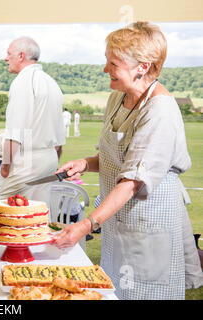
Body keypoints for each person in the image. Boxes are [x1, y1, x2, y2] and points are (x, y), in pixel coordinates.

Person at [52, 22, 203, 299]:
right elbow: (119, 155)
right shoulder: (117, 98)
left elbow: (133, 180)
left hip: (149, 221)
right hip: (118, 220)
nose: (105, 69)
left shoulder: (161, 111)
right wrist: (86, 162)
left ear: (142, 67)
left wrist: (86, 225)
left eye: (113, 63)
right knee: (114, 290)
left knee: (144, 293)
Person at [0, 36, 65, 204]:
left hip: (27, 160)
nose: (6, 58)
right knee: (38, 213)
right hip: (49, 158)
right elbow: (59, 135)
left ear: (21, 56)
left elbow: (16, 131)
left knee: (2, 207)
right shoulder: (51, 82)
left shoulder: (23, 81)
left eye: (9, 53)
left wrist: (5, 167)